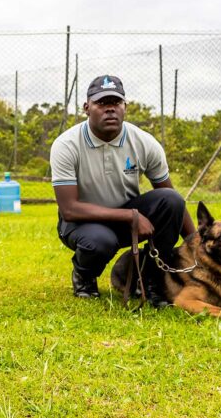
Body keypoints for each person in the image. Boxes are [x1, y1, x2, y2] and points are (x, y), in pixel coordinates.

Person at [50, 74, 194, 306]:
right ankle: (84, 276)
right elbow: (69, 209)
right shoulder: (66, 145)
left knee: (171, 200)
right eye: (101, 103)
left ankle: (152, 280)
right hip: (82, 222)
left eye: (115, 103)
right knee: (99, 241)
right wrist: (131, 216)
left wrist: (195, 244)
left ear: (125, 107)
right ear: (87, 108)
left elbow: (173, 201)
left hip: (126, 217)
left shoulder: (145, 142)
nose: (110, 109)